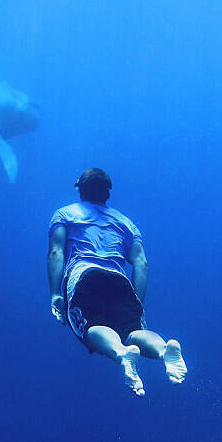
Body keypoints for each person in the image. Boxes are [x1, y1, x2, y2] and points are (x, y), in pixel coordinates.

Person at [47, 168, 187, 397]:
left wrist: (55, 294)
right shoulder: (126, 223)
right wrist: (137, 304)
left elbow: (55, 252)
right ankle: (163, 350)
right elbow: (141, 264)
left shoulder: (64, 214)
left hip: (85, 276)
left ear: (80, 189)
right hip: (119, 280)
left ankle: (121, 353)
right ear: (107, 193)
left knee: (91, 328)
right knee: (133, 331)